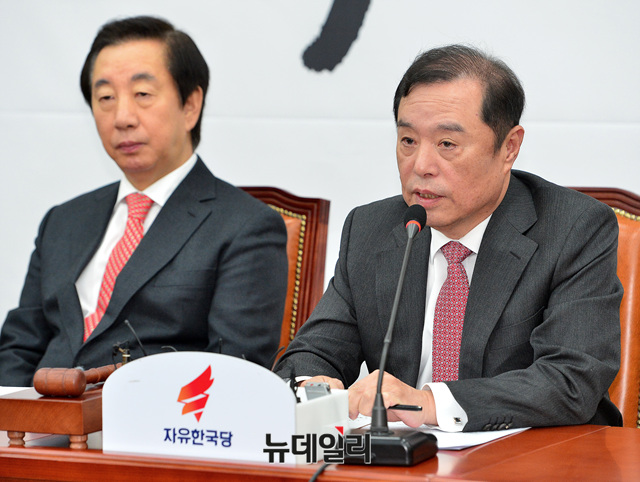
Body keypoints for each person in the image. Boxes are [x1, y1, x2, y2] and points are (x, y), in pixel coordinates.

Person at [275, 45, 623, 432]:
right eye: (408, 141)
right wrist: (315, 393)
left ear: (509, 147)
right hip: (405, 455)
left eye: (447, 144)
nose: (421, 166)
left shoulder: (573, 228)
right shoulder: (371, 228)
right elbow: (312, 354)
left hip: (536, 454)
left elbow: (571, 379)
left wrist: (430, 403)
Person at [0, 16, 288, 386]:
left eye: (142, 95)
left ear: (190, 105)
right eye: (106, 98)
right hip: (34, 417)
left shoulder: (245, 226)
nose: (122, 118)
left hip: (148, 418)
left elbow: (231, 372)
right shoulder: (63, 221)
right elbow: (19, 348)